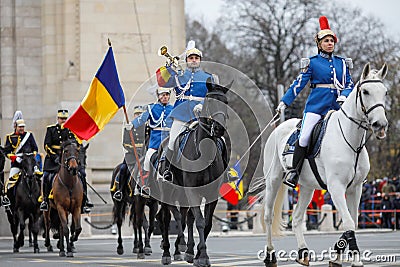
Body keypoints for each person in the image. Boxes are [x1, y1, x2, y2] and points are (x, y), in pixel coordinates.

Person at [276, 16, 354, 188]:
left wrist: (345, 96)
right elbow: (298, 84)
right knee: (304, 137)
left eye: (332, 41)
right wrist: (285, 101)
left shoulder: (342, 63)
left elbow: (349, 84)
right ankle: (294, 172)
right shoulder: (312, 62)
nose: (330, 44)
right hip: (316, 107)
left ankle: (356, 171)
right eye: (326, 41)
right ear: (319, 44)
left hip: (337, 107)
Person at [156, 40, 218, 180]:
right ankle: (168, 170)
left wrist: (203, 105)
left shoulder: (208, 77)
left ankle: (223, 172)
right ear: (187, 60)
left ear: (200, 60)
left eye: (196, 58)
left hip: (201, 116)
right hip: (181, 115)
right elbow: (161, 81)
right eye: (191, 58)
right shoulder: (178, 75)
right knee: (172, 141)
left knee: (220, 140)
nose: (194, 60)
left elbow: (213, 97)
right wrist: (170, 68)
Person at [40, 109, 93, 213]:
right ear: (58, 119)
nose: (63, 121)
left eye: (65, 119)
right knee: (46, 176)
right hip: (53, 160)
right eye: (61, 119)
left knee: (82, 174)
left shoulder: (71, 130)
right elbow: (47, 146)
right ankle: (45, 201)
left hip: (68, 159)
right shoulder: (51, 129)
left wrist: (75, 158)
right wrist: (54, 156)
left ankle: (85, 200)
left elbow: (77, 145)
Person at [2, 118, 43, 207]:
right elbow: (7, 152)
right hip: (17, 163)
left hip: (29, 163)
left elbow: (35, 148)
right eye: (20, 127)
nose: (22, 129)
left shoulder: (29, 135)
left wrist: (32, 158)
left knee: (40, 178)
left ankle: (43, 199)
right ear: (15, 127)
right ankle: (7, 198)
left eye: (23, 127)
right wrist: (15, 158)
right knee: (9, 182)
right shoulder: (10, 137)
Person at [111, 106, 146, 201]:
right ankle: (120, 191)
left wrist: (142, 150)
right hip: (131, 156)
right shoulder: (128, 128)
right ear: (134, 116)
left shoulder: (146, 128)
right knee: (122, 169)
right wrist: (133, 150)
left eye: (141, 114)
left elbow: (148, 141)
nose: (139, 116)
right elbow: (125, 143)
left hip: (143, 155)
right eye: (137, 114)